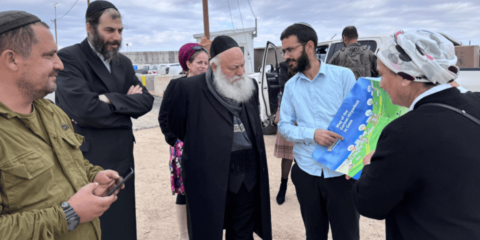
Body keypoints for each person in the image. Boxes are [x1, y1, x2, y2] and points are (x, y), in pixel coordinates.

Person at [0, 10, 124, 239]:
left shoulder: (52, 113)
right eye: (49, 56)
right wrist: (68, 214)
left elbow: (69, 162)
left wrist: (94, 175)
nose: (60, 65)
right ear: (12, 59)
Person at [352, 29, 480, 239]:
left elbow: (369, 204)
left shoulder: (403, 132)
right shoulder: (476, 102)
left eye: (382, 74)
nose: (380, 84)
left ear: (406, 77)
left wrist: (368, 165)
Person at [55, 1, 154, 239]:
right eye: (109, 30)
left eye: (120, 31)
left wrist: (107, 99)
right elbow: (85, 109)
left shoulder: (123, 62)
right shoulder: (70, 58)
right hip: (91, 160)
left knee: (124, 223)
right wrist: (124, 104)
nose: (116, 37)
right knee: (97, 226)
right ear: (90, 27)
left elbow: (146, 102)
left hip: (123, 156)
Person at [167, 35, 272, 240]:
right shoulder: (189, 89)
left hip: (248, 176)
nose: (241, 72)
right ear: (213, 67)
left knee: (242, 232)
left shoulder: (249, 85)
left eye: (242, 65)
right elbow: (176, 127)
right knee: (207, 230)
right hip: (208, 177)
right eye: (233, 68)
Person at [278, 23, 359, 239]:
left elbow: (359, 122)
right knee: (314, 234)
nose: (286, 56)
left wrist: (357, 163)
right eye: (284, 51)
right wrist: (312, 134)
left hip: (342, 175)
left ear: (309, 46)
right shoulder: (291, 87)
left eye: (290, 49)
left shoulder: (343, 77)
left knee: (347, 234)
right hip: (307, 172)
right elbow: (284, 126)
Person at [158, 43, 208, 240]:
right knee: (184, 192)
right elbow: (164, 116)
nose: (203, 66)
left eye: (206, 62)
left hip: (208, 147)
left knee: (207, 188)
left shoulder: (211, 85)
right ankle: (184, 234)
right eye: (199, 62)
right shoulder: (176, 85)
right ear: (187, 63)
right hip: (184, 148)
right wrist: (175, 141)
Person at [274, 61, 295, 205]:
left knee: (305, 151)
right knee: (288, 154)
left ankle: (305, 186)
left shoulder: (310, 65)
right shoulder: (284, 66)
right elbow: (283, 89)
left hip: (308, 113)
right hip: (289, 111)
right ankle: (283, 184)